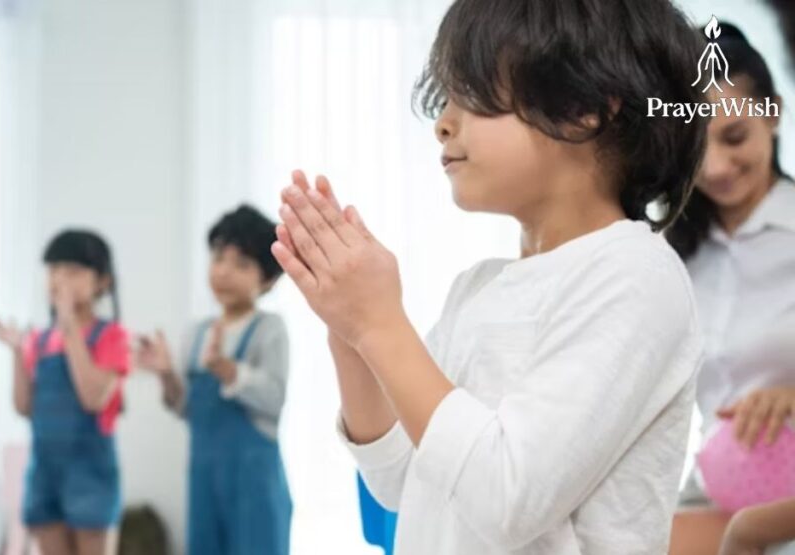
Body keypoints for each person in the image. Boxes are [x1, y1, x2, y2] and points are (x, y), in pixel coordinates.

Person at [271, 0, 707, 552]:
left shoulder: (636, 277)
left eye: (472, 97)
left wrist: (380, 325)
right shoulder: (479, 288)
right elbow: (398, 484)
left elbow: (505, 497)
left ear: (583, 108)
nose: (442, 124)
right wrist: (350, 331)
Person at [666, 23, 795, 555]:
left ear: (775, 113)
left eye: (734, 136)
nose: (717, 167)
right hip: (717, 489)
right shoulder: (673, 257)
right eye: (697, 148)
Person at [135, 205, 292, 555]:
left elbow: (274, 399)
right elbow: (187, 408)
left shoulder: (269, 329)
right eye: (219, 258)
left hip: (254, 486)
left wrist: (227, 369)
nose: (224, 272)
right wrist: (165, 374)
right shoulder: (196, 333)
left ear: (267, 279)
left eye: (242, 264)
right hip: (204, 482)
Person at [0, 230, 130, 555]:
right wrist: (16, 352)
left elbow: (93, 398)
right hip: (44, 473)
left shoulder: (112, 336)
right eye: (54, 270)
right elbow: (24, 406)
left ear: (102, 282)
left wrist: (68, 325)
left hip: (91, 476)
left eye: (73, 271)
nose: (59, 280)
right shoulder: (37, 340)